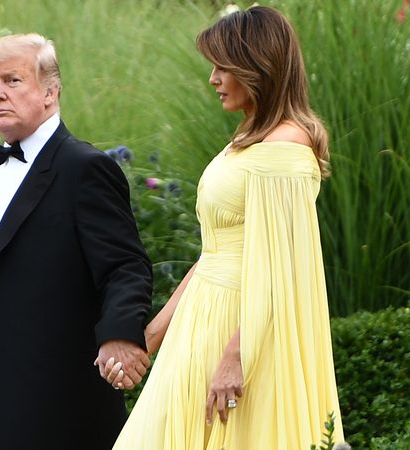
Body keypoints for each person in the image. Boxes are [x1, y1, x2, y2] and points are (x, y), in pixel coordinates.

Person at [110, 6, 345, 449]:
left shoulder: (285, 149)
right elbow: (214, 251)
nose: (213, 79)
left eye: (223, 67)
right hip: (204, 317)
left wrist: (237, 357)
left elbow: (285, 269)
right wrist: (154, 335)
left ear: (256, 67)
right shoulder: (248, 139)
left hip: (242, 329)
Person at [0, 33, 153, 450]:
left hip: (46, 397)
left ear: (51, 91)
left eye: (12, 80)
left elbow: (125, 266)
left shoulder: (84, 168)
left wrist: (118, 333)